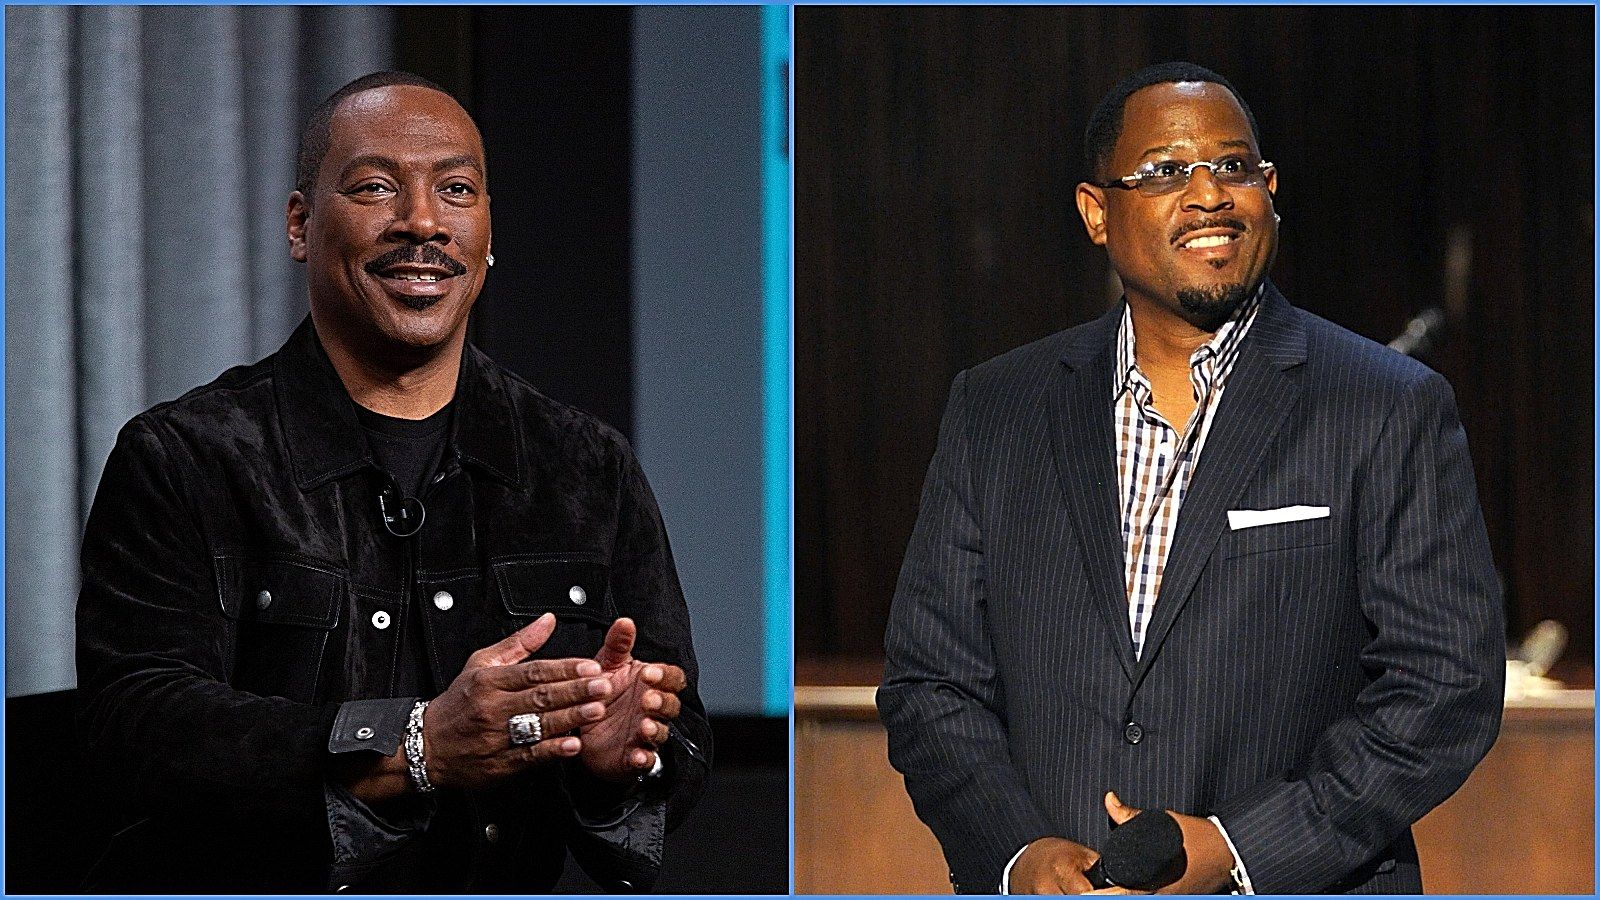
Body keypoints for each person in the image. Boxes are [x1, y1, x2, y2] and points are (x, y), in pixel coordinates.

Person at [75, 71, 711, 893]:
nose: (423, 222)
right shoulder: (184, 457)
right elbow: (135, 728)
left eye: (456, 190)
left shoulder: (587, 466)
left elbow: (680, 746)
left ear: (487, 231)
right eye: (376, 187)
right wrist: (414, 742)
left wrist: (621, 756)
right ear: (300, 225)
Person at [878, 61, 1504, 894]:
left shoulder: (1386, 404)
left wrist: (1238, 849)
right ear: (1096, 213)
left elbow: (1446, 685)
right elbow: (930, 683)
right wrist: (1018, 852)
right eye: (1167, 171)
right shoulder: (996, 409)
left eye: (1234, 166)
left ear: (1269, 192)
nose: (1209, 194)